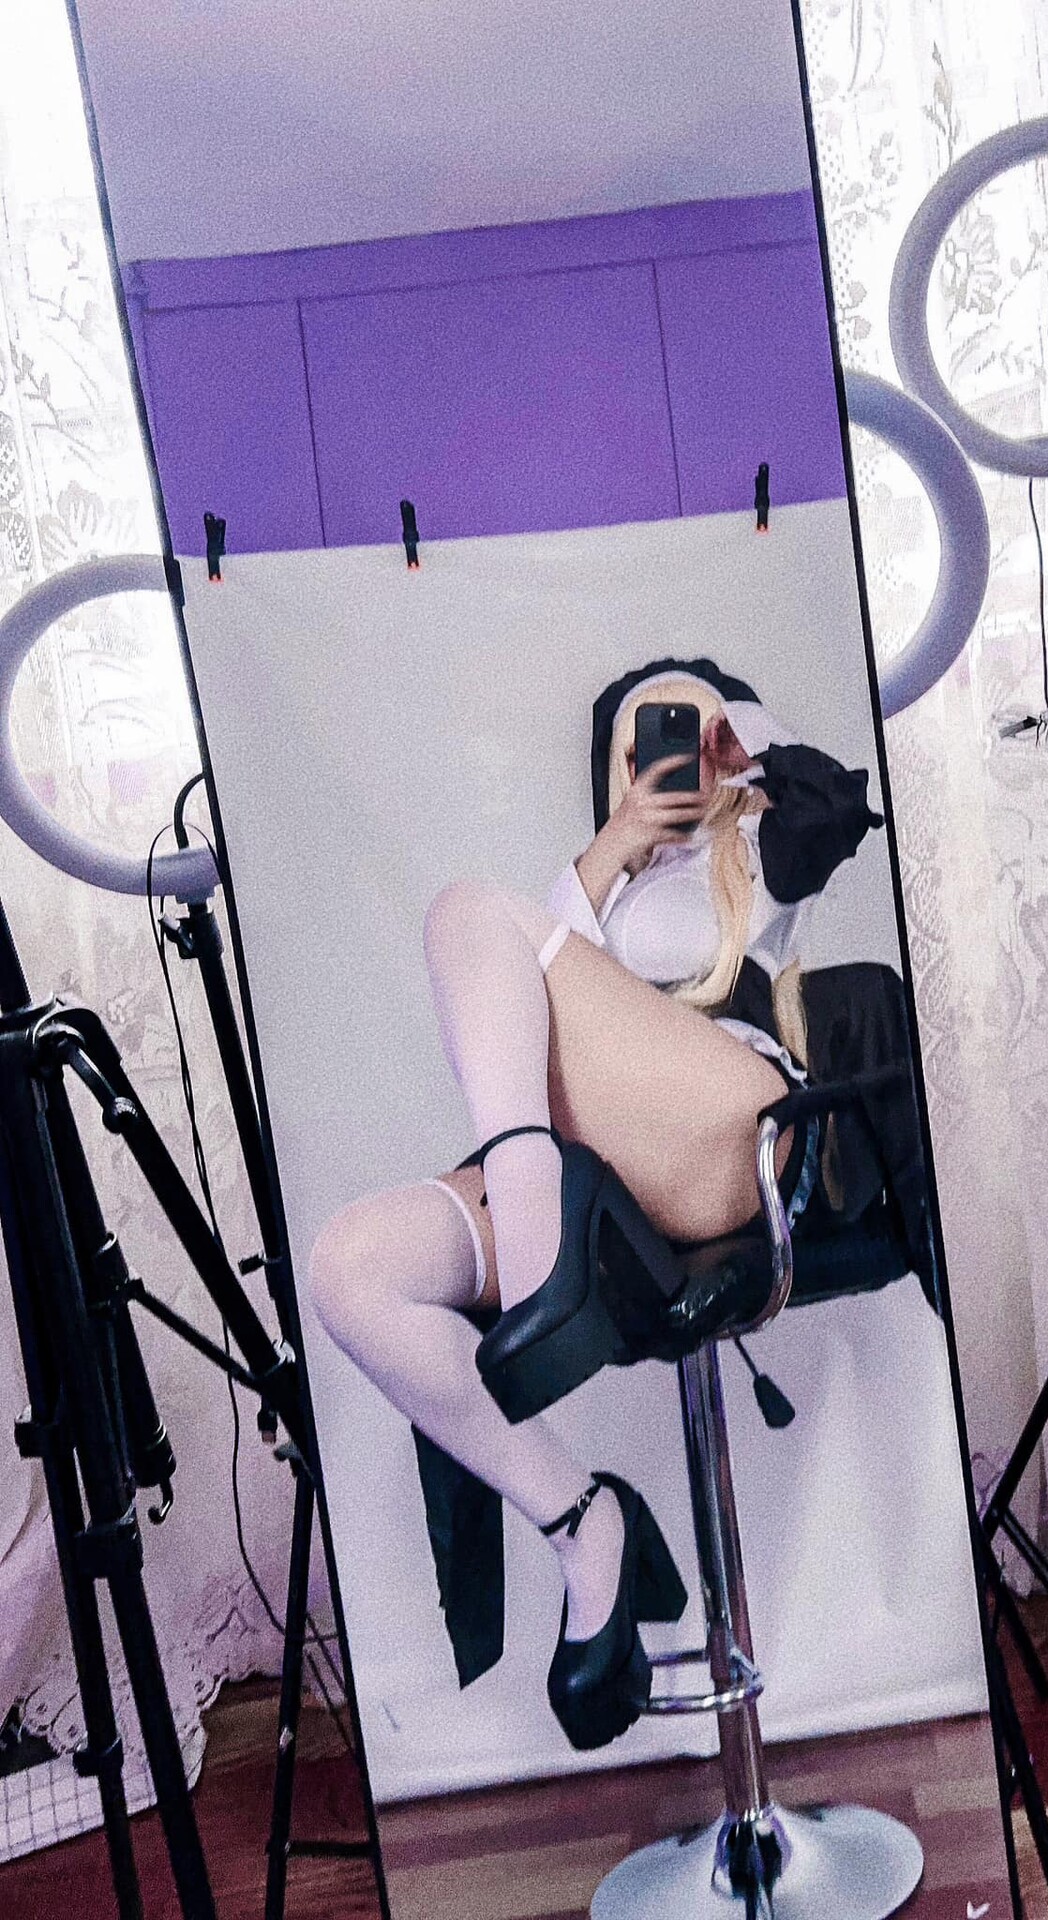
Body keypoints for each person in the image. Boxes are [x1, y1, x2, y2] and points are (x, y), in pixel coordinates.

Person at [309, 657, 883, 1749]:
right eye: (647, 739)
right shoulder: (585, 902)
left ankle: (536, 1248)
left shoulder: (760, 856)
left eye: (696, 731)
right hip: (597, 1184)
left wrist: (743, 755)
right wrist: (614, 846)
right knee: (351, 1268)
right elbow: (531, 996)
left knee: (467, 908)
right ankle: (583, 1521)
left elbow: (839, 803)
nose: (674, 752)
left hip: (729, 1137)